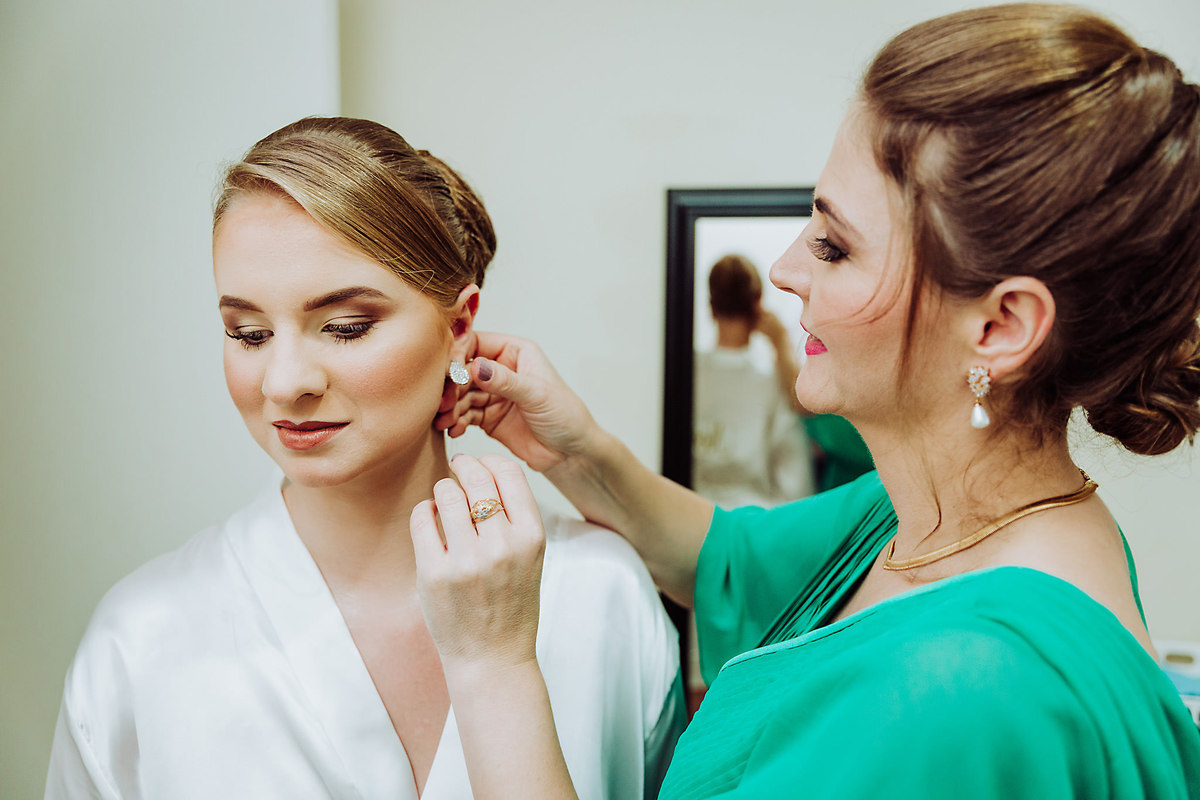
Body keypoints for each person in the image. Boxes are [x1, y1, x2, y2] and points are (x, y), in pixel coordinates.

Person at [415, 5, 1200, 797]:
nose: (788, 268)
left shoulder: (962, 693)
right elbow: (721, 558)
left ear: (1000, 326)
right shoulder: (925, 515)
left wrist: (491, 662)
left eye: (834, 244)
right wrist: (570, 446)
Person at [44, 117, 683, 799]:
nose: (285, 381)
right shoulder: (140, 641)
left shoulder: (602, 597)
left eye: (345, 327)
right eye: (248, 333)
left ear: (460, 326)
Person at [692, 254, 813, 508]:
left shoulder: (685, 371)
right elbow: (795, 481)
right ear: (757, 304)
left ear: (711, 305)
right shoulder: (772, 381)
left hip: (687, 512)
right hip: (753, 523)